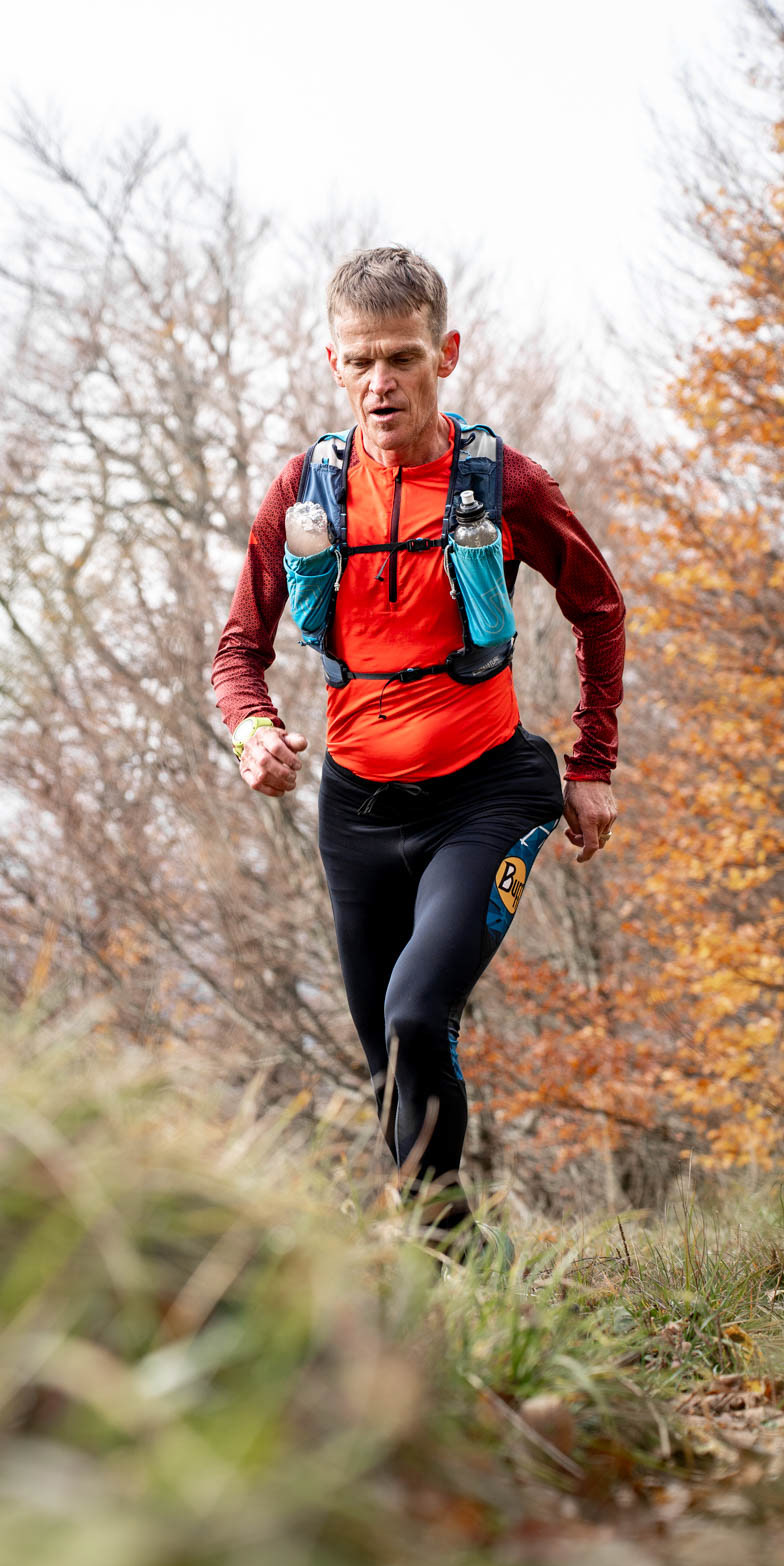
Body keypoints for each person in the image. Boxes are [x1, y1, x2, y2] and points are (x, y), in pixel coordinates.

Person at [211, 246, 624, 1255]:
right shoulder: (304, 492)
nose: (379, 382)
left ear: (446, 352)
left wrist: (591, 764)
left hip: (486, 794)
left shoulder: (505, 483)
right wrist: (254, 733)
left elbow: (598, 606)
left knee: (414, 1012)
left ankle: (449, 1258)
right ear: (332, 362)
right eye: (359, 361)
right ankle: (448, 1271)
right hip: (357, 809)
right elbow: (237, 652)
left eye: (401, 357)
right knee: (389, 1070)